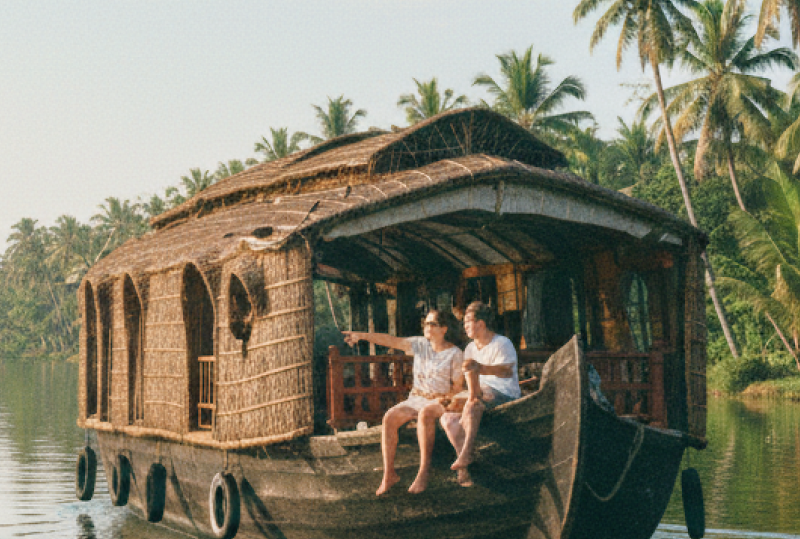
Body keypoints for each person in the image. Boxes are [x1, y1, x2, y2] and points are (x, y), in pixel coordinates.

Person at [342, 309, 464, 496]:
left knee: (425, 415)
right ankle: (389, 474)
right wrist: (361, 336)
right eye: (426, 323)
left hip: (439, 400)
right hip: (417, 398)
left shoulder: (454, 353)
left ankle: (423, 472)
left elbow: (457, 387)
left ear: (444, 329)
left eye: (432, 324)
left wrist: (445, 398)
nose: (427, 327)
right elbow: (391, 340)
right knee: (390, 417)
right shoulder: (420, 344)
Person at [441, 301, 520, 476]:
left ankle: (467, 454)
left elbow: (507, 371)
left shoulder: (502, 343)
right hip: (480, 392)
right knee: (447, 418)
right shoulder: (470, 348)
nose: (465, 326)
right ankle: (465, 462)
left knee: (472, 404)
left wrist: (480, 368)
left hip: (504, 393)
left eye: (468, 321)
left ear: (481, 324)